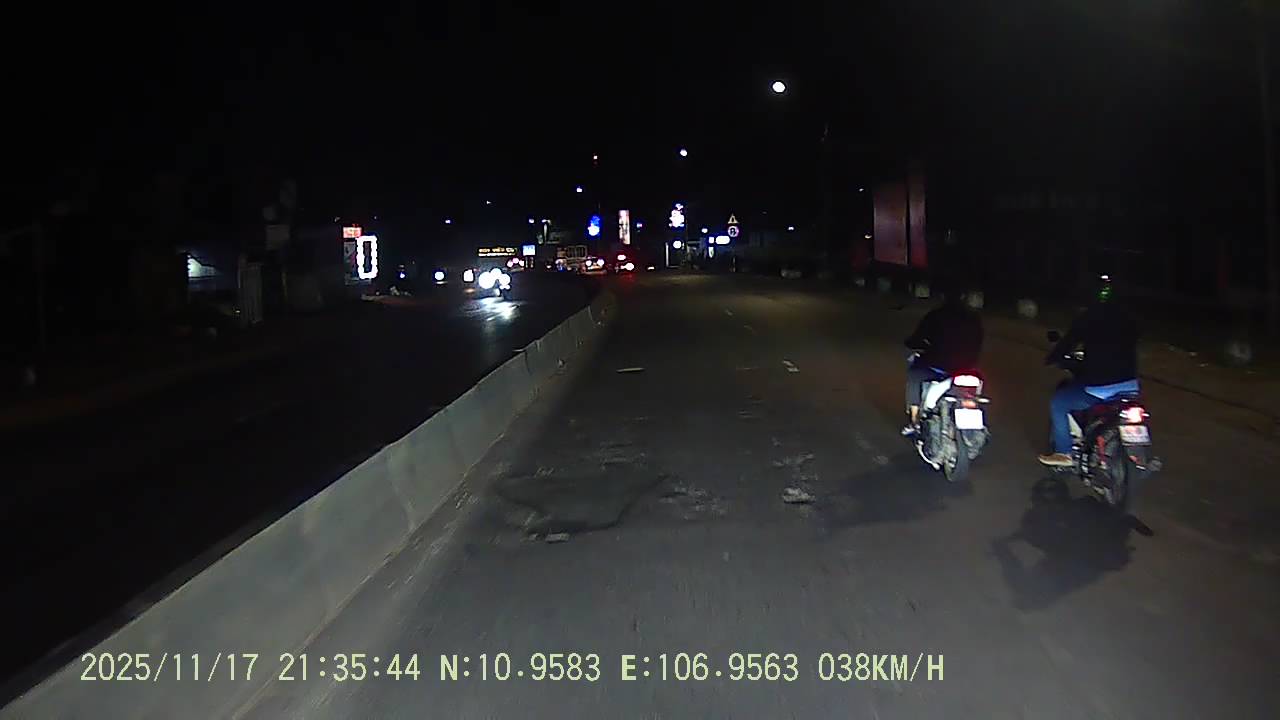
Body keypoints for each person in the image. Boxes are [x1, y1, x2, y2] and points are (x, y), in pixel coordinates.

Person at [1038, 275, 1140, 466]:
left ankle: (1064, 453)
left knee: (1059, 402)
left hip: (1101, 387)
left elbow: (1068, 343)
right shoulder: (1129, 318)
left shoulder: (1089, 317)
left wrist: (1053, 358)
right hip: (1130, 386)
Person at [902, 278, 984, 436]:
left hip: (938, 366)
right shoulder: (974, 318)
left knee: (914, 374)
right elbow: (979, 341)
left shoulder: (935, 315)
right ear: (964, 297)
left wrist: (912, 343)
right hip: (967, 367)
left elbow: (916, 338)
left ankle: (914, 421)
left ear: (943, 296)